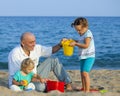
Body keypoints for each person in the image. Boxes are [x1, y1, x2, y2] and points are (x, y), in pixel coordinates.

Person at [8, 32, 72, 92]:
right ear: (23, 43)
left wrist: (60, 45)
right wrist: (39, 80)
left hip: (34, 74)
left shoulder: (36, 48)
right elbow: (19, 76)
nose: (34, 44)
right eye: (31, 42)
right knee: (41, 87)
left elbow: (51, 50)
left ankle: (67, 83)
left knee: (54, 59)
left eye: (34, 41)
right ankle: (49, 85)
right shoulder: (15, 54)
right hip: (22, 81)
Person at [70, 17, 95, 92]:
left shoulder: (88, 33)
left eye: (79, 30)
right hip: (82, 56)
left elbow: (86, 45)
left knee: (85, 73)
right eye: (77, 30)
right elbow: (81, 41)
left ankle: (87, 91)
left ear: (86, 27)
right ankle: (84, 88)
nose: (78, 32)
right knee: (82, 74)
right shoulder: (82, 34)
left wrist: (76, 44)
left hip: (89, 56)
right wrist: (74, 41)